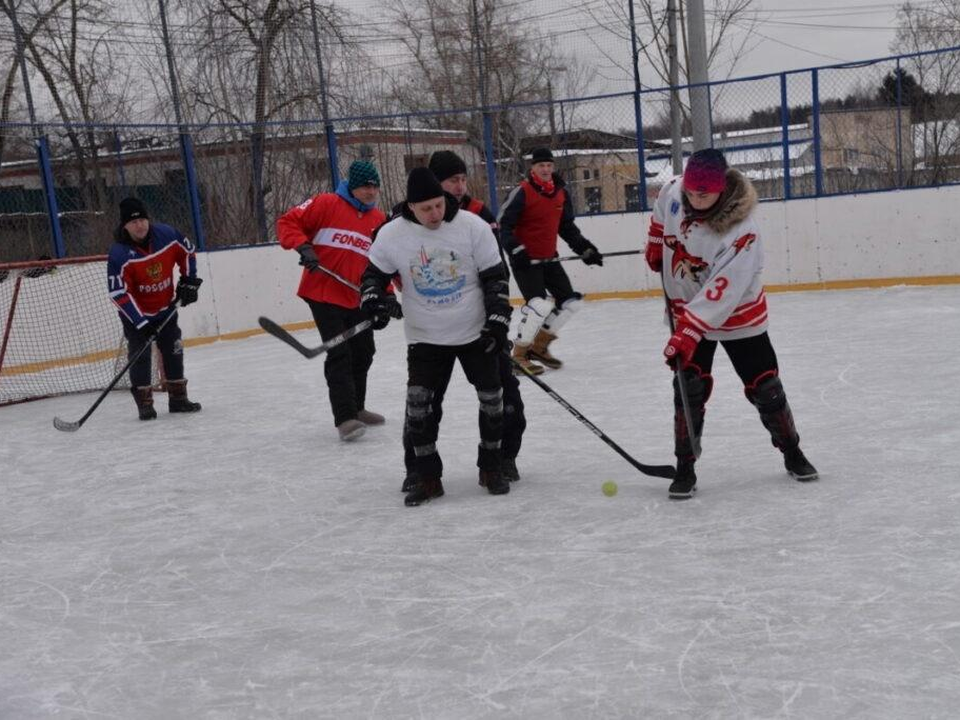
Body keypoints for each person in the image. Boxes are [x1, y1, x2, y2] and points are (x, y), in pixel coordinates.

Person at [645, 148, 819, 499]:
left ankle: (792, 451)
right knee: (687, 386)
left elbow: (723, 291)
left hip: (738, 313)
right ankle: (685, 465)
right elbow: (664, 210)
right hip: (687, 305)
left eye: (704, 194)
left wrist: (689, 331)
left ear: (722, 189)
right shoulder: (675, 191)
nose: (695, 199)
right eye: (691, 192)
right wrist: (654, 241)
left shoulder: (742, 229)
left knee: (766, 387)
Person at [361, 167, 512, 506]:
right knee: (420, 409)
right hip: (425, 336)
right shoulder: (391, 234)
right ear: (410, 207)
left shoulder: (472, 227)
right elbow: (373, 276)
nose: (434, 214)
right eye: (425, 208)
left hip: (475, 332)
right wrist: (374, 299)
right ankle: (426, 477)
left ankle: (491, 467)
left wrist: (499, 319)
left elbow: (495, 277)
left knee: (493, 402)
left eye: (438, 205)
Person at [387, 149, 525, 486]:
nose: (460, 186)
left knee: (505, 396)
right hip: (431, 331)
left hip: (479, 324)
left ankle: (502, 459)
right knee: (422, 405)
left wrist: (497, 316)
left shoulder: (477, 214)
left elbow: (496, 270)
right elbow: (386, 263)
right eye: (453, 180)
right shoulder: (402, 220)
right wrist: (389, 297)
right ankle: (417, 469)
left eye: (463, 179)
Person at [277, 160, 388, 441]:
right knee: (339, 352)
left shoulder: (378, 220)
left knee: (364, 351)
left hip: (357, 297)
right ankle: (345, 418)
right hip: (323, 293)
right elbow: (287, 222)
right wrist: (304, 246)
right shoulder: (326, 203)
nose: (371, 191)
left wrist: (386, 298)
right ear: (352, 186)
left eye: (375, 186)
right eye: (365, 186)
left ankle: (358, 408)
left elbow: (383, 264)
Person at [497, 146, 603, 374]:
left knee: (570, 303)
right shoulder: (522, 192)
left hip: (549, 259)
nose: (545, 169)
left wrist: (585, 249)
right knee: (539, 306)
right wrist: (516, 250)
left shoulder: (561, 193)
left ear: (553, 167)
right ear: (532, 168)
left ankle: (539, 347)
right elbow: (503, 225)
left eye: (548, 165)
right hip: (525, 261)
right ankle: (519, 354)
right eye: (540, 165)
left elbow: (566, 227)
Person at [107, 197, 203, 420]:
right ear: (124, 226)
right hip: (136, 316)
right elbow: (118, 293)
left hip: (166, 308)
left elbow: (188, 251)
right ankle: (145, 404)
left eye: (142, 219)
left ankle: (178, 399)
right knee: (139, 356)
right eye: (133, 222)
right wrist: (141, 323)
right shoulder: (119, 254)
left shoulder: (167, 235)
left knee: (174, 349)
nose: (139, 225)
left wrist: (189, 280)